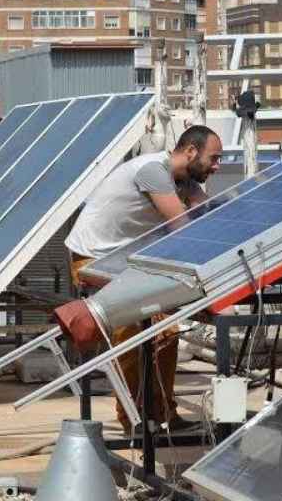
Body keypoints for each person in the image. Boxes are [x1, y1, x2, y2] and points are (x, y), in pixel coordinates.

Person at [65, 125, 222, 434]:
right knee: (131, 331)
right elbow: (184, 228)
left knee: (165, 332)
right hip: (93, 260)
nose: (217, 166)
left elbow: (208, 215)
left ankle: (164, 415)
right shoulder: (153, 171)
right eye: (213, 158)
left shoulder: (184, 180)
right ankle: (135, 422)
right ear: (190, 151)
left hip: (126, 263)